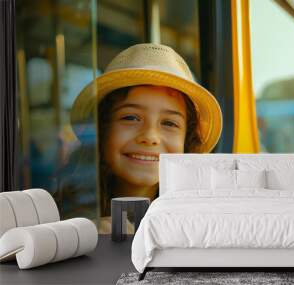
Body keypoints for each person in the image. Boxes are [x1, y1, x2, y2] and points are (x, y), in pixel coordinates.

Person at [56, 43, 222, 226]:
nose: (150, 136)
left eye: (169, 123)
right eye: (130, 118)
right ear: (102, 131)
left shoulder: (203, 223)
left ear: (187, 141)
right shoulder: (59, 217)